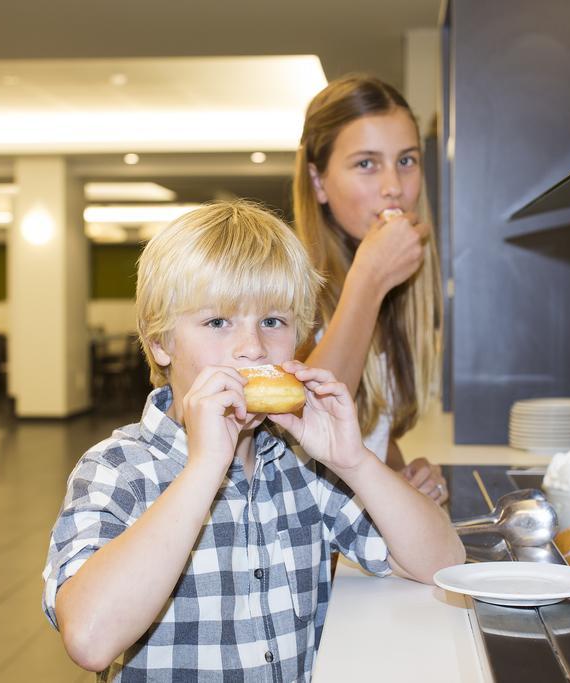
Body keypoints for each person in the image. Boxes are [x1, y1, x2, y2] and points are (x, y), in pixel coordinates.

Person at [42, 201, 465, 681]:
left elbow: (443, 564)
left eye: (273, 321)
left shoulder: (303, 465)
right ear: (161, 342)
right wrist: (205, 466)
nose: (253, 348)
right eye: (217, 322)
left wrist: (355, 461)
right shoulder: (116, 468)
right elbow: (90, 639)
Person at [293, 74, 449, 505]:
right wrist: (370, 278)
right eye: (366, 163)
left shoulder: (401, 288)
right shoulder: (285, 294)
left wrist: (402, 472)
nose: (394, 187)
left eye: (407, 160)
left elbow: (371, 427)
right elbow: (313, 428)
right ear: (319, 181)